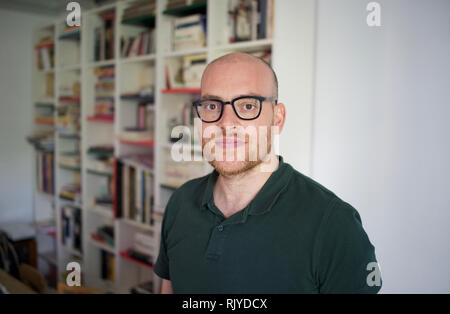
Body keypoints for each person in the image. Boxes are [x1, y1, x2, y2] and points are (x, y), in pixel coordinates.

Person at [154, 52, 381, 293]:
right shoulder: (180, 202)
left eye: (248, 105)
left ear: (278, 118)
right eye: (212, 106)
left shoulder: (335, 225)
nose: (226, 123)